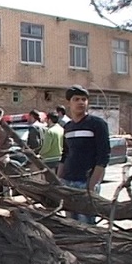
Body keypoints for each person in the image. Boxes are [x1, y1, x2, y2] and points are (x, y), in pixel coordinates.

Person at [57, 85, 110, 224]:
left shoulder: (97, 124)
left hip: (85, 182)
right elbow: (65, 154)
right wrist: (59, 180)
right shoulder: (68, 127)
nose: (81, 102)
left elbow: (103, 157)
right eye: (76, 99)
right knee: (70, 223)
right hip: (68, 182)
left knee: (86, 224)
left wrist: (92, 185)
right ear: (70, 103)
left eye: (84, 99)